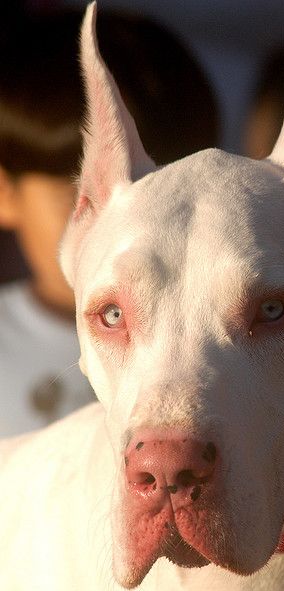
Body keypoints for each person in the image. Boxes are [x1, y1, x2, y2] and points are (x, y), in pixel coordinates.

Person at [0, 7, 218, 436]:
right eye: (84, 198)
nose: (127, 229)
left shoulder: (244, 340)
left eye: (160, 190)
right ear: (5, 193)